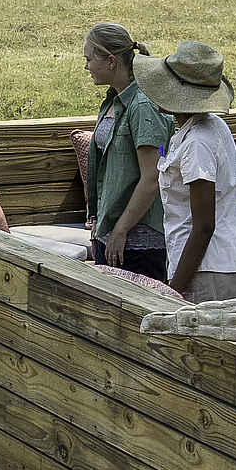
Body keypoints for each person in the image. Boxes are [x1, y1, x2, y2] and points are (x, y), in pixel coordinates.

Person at [134, 40, 236, 302]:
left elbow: (204, 226)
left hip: (210, 270)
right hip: (218, 264)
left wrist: (172, 291)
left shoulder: (197, 142)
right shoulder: (206, 128)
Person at [82, 22, 171, 279]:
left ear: (111, 61)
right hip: (112, 236)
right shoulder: (113, 100)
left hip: (138, 242)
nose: (86, 66)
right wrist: (99, 225)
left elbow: (152, 177)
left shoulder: (142, 106)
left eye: (89, 59)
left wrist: (120, 230)